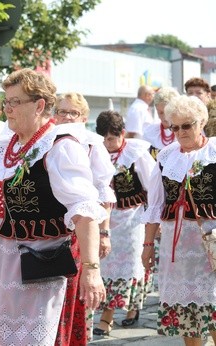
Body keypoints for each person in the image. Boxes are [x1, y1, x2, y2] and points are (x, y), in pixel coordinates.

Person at [0, 68, 106, 345]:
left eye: (15, 102)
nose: (7, 108)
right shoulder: (2, 147)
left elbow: (84, 211)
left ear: (39, 105)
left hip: (37, 265)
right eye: (6, 101)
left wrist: (91, 268)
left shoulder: (60, 147)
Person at [142, 95, 216, 346]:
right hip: (179, 250)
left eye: (187, 125)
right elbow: (155, 205)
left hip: (211, 245)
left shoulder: (214, 151)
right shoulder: (165, 156)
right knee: (188, 315)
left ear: (202, 122)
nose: (181, 132)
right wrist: (148, 245)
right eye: (175, 127)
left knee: (214, 309)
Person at [54, 92, 116, 344]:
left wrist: (103, 232)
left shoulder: (91, 144)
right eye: (62, 111)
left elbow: (102, 193)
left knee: (72, 293)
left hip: (78, 231)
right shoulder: (47, 140)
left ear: (84, 117)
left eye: (73, 112)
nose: (67, 116)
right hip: (49, 228)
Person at [92, 110, 155, 336]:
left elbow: (151, 186)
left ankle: (109, 317)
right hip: (104, 218)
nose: (108, 143)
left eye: (112, 138)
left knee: (130, 266)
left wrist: (152, 220)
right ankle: (123, 309)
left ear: (123, 134)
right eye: (104, 138)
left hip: (131, 219)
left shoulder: (136, 154)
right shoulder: (96, 153)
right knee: (106, 266)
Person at [143, 87, 180, 158]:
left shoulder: (185, 132)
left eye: (168, 112)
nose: (165, 117)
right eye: (160, 112)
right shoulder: (150, 132)